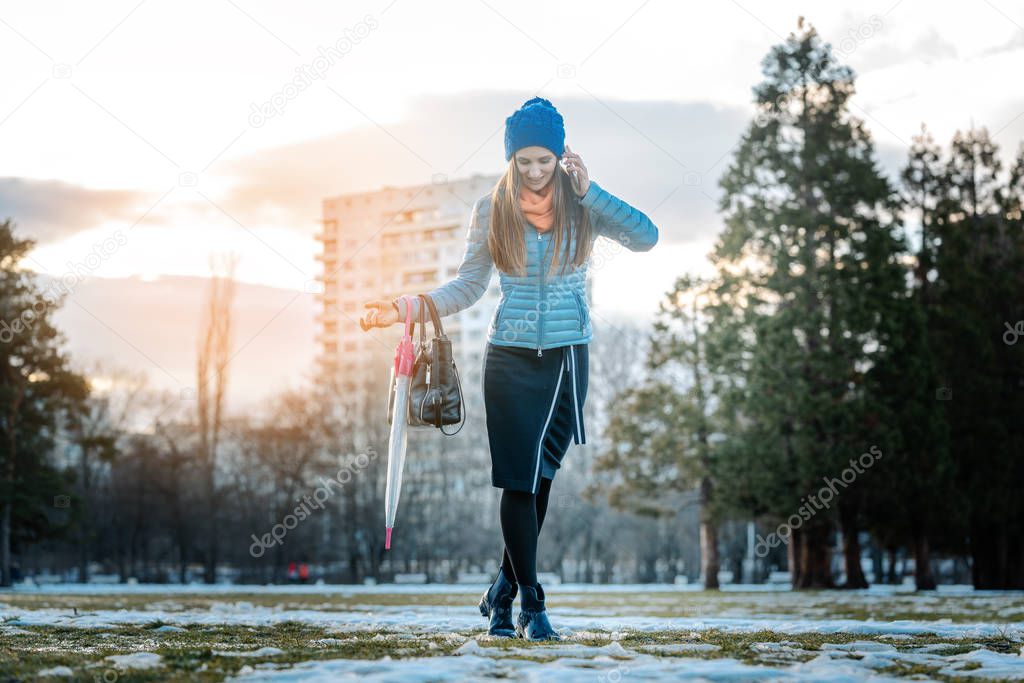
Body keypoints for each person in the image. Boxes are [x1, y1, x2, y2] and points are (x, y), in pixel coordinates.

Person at [362, 96, 659, 640]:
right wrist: (406, 305)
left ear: (560, 154)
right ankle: (532, 604)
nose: (535, 170)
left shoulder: (583, 205)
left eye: (544, 159)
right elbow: (470, 285)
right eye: (524, 161)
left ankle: (501, 591)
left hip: (568, 359)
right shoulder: (490, 208)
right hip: (509, 360)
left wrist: (592, 190)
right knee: (517, 481)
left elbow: (646, 236)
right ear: (511, 160)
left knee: (541, 480)